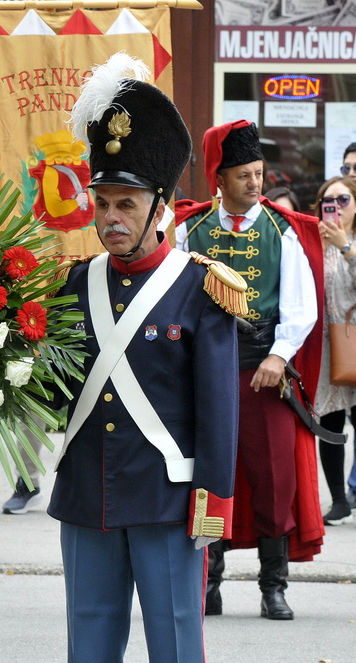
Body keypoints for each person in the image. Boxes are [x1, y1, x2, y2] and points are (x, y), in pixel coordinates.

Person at [50, 54, 243, 662]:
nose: (110, 218)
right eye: (102, 202)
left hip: (168, 499)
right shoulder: (72, 285)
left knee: (177, 640)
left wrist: (212, 505)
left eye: (125, 204)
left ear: (158, 207)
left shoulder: (201, 287)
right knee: (90, 641)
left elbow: (218, 410)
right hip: (86, 495)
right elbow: (56, 391)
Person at [176, 119, 325, 620]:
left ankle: (273, 586)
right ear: (219, 178)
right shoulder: (188, 231)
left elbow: (301, 308)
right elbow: (171, 303)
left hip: (264, 372)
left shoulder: (282, 231)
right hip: (203, 374)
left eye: (259, 173)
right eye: (244, 175)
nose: (256, 183)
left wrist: (278, 356)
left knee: (275, 477)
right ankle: (208, 582)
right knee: (208, 475)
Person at [313, 176, 356, 525]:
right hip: (326, 348)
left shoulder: (350, 243)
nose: (336, 208)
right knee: (330, 422)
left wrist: (345, 247)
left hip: (354, 343)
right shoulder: (312, 243)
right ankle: (339, 500)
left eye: (343, 200)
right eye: (329, 202)